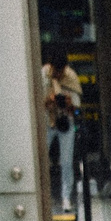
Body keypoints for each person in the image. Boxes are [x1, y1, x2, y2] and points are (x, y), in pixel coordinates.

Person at [43, 55, 82, 203]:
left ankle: (66, 196)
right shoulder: (43, 74)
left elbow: (77, 107)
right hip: (47, 121)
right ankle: (43, 196)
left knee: (66, 161)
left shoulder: (71, 77)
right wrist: (49, 99)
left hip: (65, 123)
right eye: (56, 71)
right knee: (41, 158)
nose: (58, 75)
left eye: (61, 71)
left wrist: (68, 103)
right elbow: (36, 98)